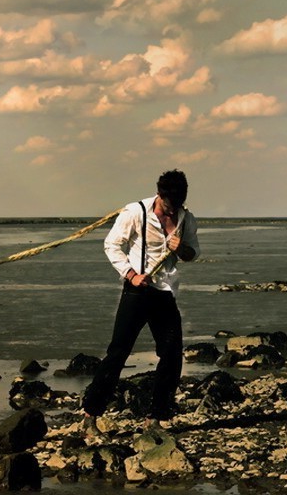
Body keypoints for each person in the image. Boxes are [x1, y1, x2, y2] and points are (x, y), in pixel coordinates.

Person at [81, 168, 200, 423]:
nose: (172, 210)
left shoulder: (186, 218)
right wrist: (131, 274)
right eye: (169, 205)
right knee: (118, 352)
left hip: (165, 293)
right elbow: (112, 245)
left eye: (178, 204)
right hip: (137, 291)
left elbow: (193, 254)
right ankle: (91, 414)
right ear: (159, 195)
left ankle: (156, 417)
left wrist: (182, 249)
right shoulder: (136, 212)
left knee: (171, 354)